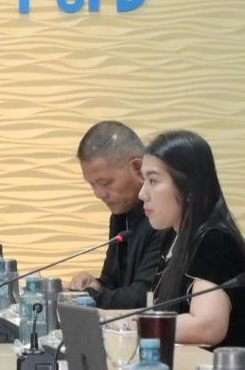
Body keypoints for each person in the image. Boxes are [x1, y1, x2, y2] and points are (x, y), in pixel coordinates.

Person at [134, 130, 245, 357]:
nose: (142, 194)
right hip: (192, 367)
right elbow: (164, 312)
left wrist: (133, 325)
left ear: (189, 188)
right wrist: (107, 318)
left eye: (153, 181)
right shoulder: (172, 237)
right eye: (144, 181)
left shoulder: (215, 241)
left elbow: (206, 327)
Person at [67, 121, 169, 299]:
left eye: (105, 183)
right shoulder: (121, 213)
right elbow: (113, 281)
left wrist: (83, 297)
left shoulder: (163, 216)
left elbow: (144, 296)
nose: (99, 194)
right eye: (92, 184)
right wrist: (95, 284)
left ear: (138, 168)